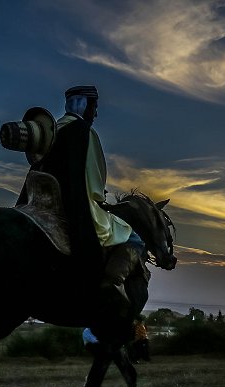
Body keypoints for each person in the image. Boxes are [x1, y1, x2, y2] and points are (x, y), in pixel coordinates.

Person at [15, 85, 147, 320]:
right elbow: (94, 183)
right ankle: (112, 286)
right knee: (133, 237)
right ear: (85, 105)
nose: (95, 114)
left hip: (40, 204)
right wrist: (98, 198)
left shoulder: (52, 132)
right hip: (73, 207)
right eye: (94, 107)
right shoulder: (83, 131)